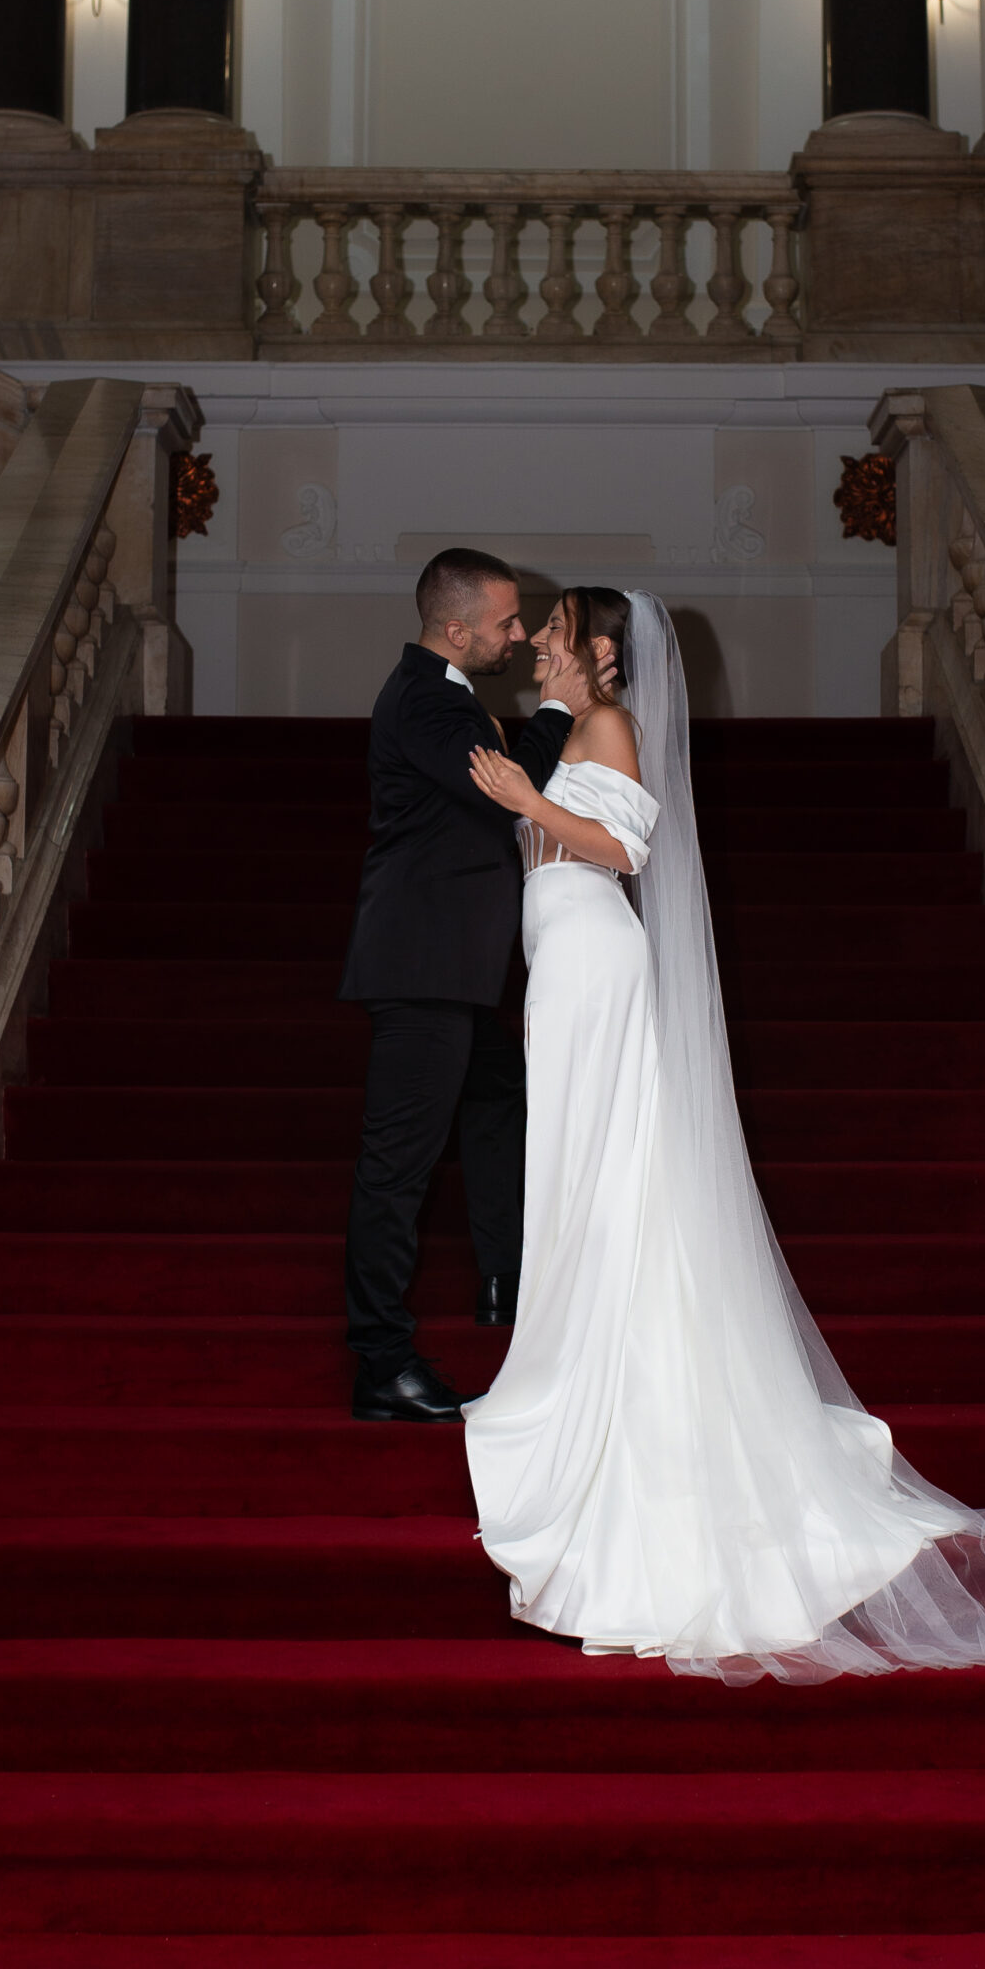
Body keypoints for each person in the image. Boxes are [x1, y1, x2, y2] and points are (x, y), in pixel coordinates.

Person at [462, 588, 985, 1684]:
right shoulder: (568, 732)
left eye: (556, 633)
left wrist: (529, 797)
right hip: (565, 976)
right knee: (580, 1190)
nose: (535, 644)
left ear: (603, 652)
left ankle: (617, 1418)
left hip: (596, 968)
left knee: (611, 1188)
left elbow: (620, 850)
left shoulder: (607, 727)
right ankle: (581, 1384)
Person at [339, 547, 597, 1422]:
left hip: (457, 965)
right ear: (455, 630)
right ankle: (380, 1364)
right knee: (396, 1168)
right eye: (505, 624)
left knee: (500, 1104)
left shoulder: (449, 696)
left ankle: (505, 1280)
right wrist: (561, 703)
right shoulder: (424, 699)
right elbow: (508, 792)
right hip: (423, 967)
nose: (518, 637)